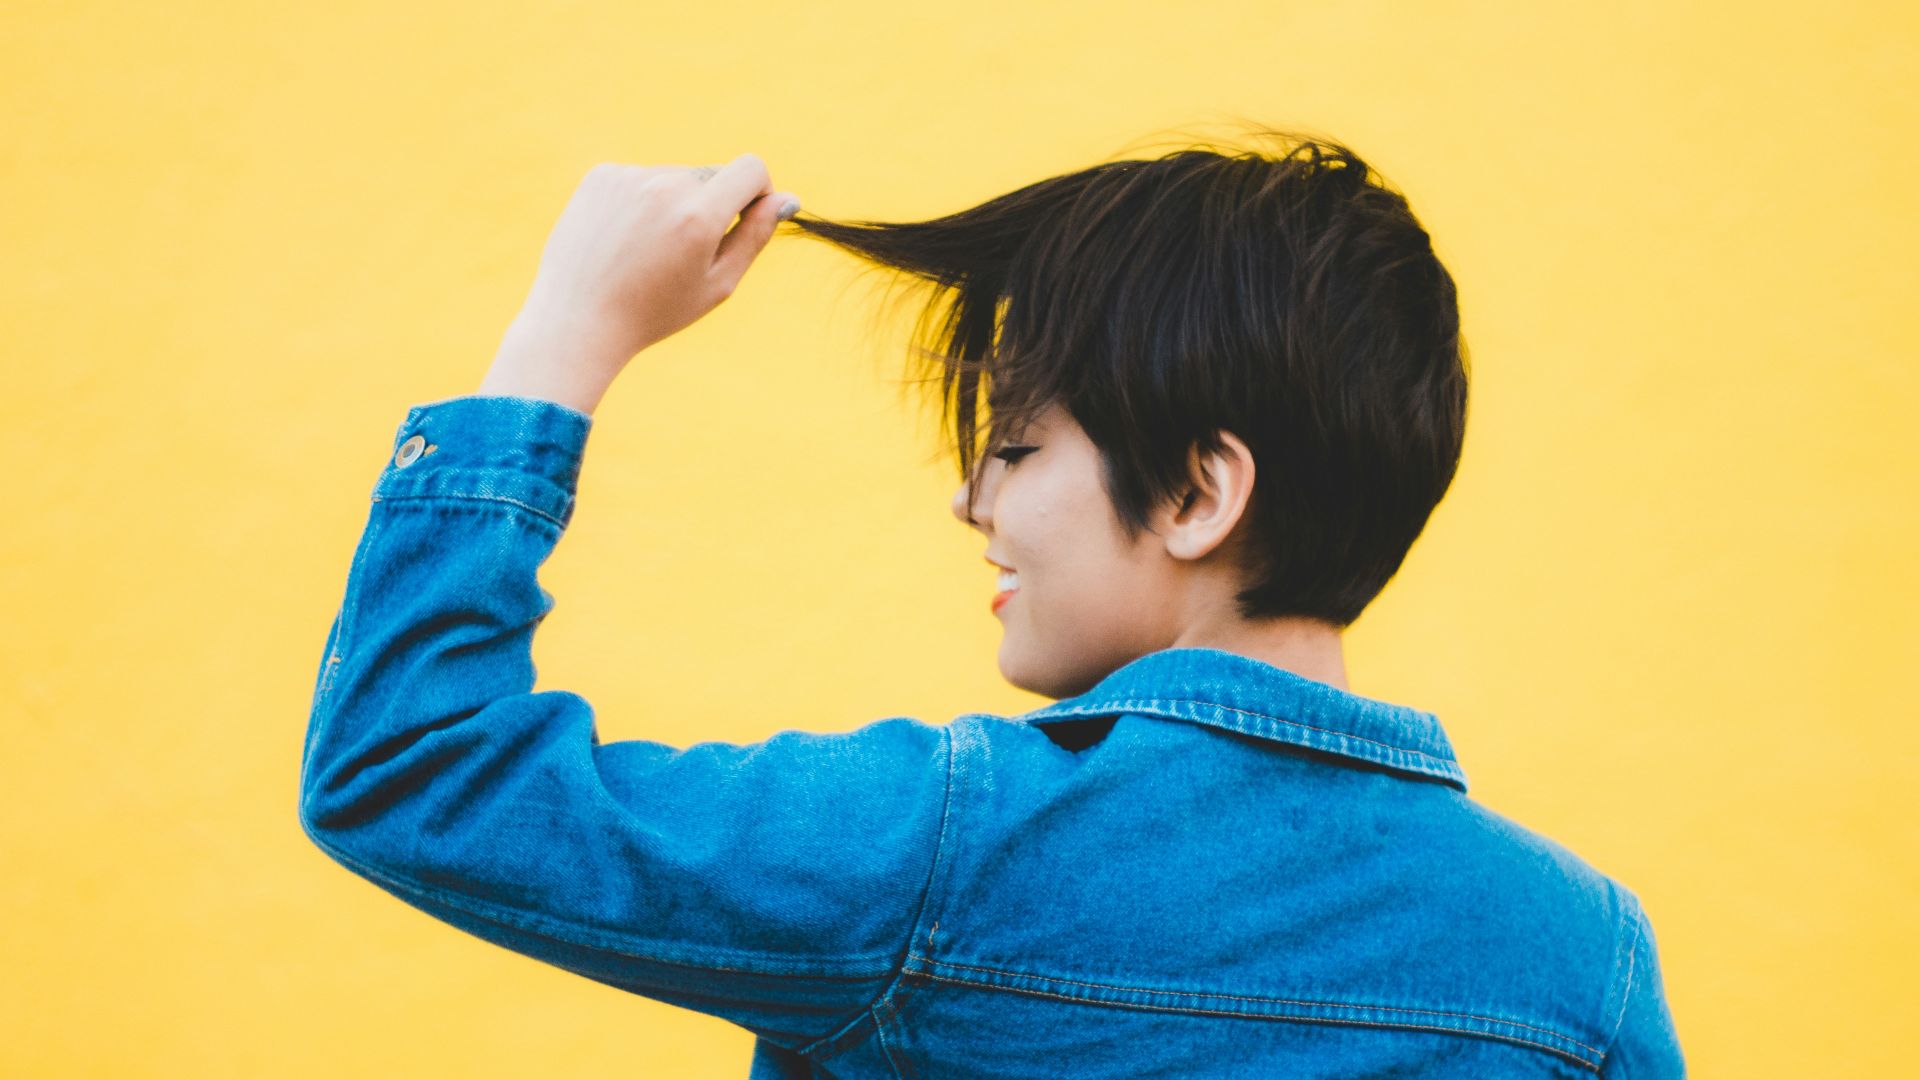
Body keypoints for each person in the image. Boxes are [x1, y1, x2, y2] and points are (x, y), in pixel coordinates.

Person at [299, 132, 1685, 1077]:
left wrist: (565, 334)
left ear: (1202, 493)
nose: (975, 501)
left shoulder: (956, 849)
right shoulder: (1586, 960)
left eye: (1015, 446)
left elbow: (409, 768)